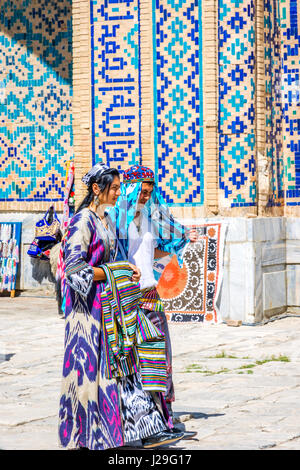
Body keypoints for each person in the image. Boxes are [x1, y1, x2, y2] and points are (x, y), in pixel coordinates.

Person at [58, 162, 184, 450]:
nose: (118, 193)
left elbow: (112, 260)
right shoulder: (82, 222)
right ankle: (90, 436)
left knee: (123, 370)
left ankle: (148, 430)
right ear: (96, 189)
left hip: (111, 309)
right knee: (97, 377)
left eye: (118, 188)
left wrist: (126, 268)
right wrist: (118, 272)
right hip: (89, 317)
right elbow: (75, 272)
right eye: (114, 188)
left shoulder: (103, 221)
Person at [110, 165, 198, 439]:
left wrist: (183, 238)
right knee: (135, 364)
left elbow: (152, 249)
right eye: (142, 192)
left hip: (151, 296)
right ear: (130, 189)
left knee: (159, 360)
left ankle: (161, 420)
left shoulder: (147, 218)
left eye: (149, 192)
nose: (146, 197)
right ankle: (138, 425)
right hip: (128, 298)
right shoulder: (115, 220)